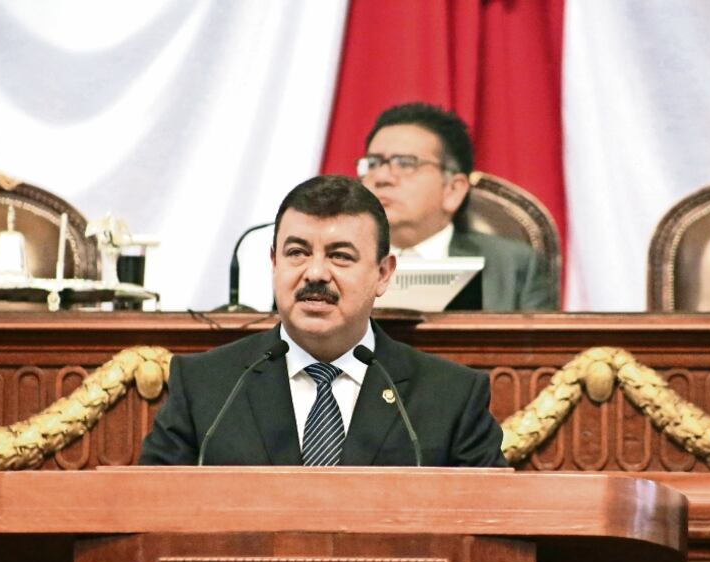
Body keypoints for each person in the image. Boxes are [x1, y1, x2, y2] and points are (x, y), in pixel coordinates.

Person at [139, 175, 506, 467]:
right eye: (297, 253)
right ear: (274, 263)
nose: (315, 273)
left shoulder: (451, 397)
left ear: (382, 273)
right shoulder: (207, 388)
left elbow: (495, 531)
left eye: (340, 256)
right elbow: (147, 512)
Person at [359, 102, 555, 311]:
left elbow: (538, 343)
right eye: (372, 163)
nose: (380, 177)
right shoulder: (335, 261)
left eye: (405, 163)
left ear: (453, 190)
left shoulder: (513, 265)